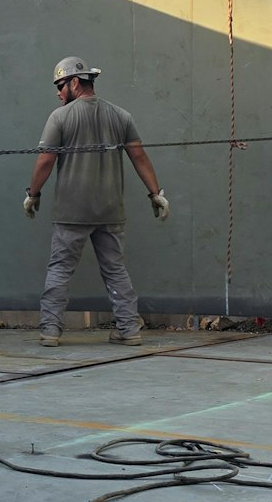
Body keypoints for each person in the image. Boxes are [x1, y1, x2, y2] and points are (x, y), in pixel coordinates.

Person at [22, 57, 169, 346]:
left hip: (71, 211)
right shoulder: (121, 116)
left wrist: (33, 194)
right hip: (110, 210)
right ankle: (129, 330)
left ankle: (51, 331)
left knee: (60, 270)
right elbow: (139, 156)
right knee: (116, 270)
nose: (57, 92)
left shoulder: (60, 117)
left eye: (60, 85)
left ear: (75, 82)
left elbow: (45, 161)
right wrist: (156, 193)